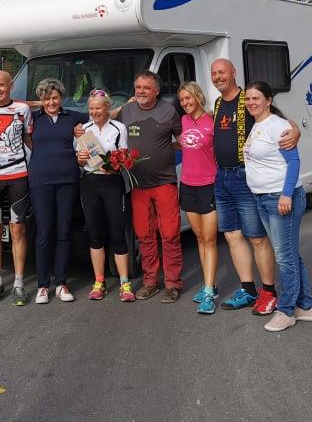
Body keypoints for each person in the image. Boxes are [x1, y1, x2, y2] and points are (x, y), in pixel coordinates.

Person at [210, 58, 300, 315]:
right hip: (222, 177)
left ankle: (269, 292)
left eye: (222, 72)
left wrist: (296, 131)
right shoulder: (217, 104)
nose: (218, 77)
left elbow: (280, 121)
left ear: (233, 73)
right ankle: (248, 290)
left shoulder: (249, 100)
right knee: (232, 235)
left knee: (257, 238)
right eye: (214, 73)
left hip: (245, 177)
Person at [243, 81, 312, 332]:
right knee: (289, 255)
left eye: (256, 98)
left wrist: (286, 195)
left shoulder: (278, 125)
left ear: (269, 100)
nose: (251, 103)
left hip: (280, 198)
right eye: (248, 99)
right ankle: (305, 306)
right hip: (262, 198)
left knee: (284, 257)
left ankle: (286, 311)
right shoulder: (258, 125)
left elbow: (293, 162)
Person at [118, 71, 183, 303]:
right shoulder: (126, 111)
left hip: (164, 181)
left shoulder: (169, 111)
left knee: (170, 234)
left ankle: (172, 284)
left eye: (146, 87)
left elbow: (183, 139)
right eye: (138, 87)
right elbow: (108, 126)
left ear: (157, 91)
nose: (141, 91)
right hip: (137, 184)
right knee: (145, 234)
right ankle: (150, 282)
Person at [28, 78, 87, 304]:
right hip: (40, 181)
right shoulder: (33, 118)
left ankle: (61, 283)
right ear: (40, 100)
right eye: (46, 98)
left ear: (61, 98)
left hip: (67, 180)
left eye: (54, 98)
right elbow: (12, 107)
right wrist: (38, 103)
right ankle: (43, 285)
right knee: (44, 232)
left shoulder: (72, 117)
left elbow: (101, 113)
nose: (51, 102)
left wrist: (127, 105)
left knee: (64, 231)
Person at [0, 70, 33, 306]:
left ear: (11, 85)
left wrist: (33, 165)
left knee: (18, 229)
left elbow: (28, 140)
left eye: (1, 85)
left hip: (17, 175)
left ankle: (19, 283)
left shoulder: (23, 109)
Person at [76, 89, 135, 302]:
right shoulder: (84, 130)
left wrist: (114, 166)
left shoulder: (119, 128)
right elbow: (79, 159)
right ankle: (99, 282)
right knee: (95, 234)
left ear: (107, 108)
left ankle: (124, 283)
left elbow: (125, 157)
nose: (94, 112)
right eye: (91, 109)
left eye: (98, 108)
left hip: (112, 183)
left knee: (118, 234)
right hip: (90, 183)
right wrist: (81, 159)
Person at [177, 81, 219, 315]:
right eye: (182, 100)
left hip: (208, 185)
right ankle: (208, 285)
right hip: (188, 185)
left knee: (210, 240)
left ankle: (209, 291)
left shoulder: (211, 120)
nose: (185, 103)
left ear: (198, 96)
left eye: (188, 98)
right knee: (200, 238)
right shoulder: (182, 121)